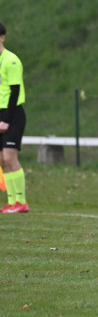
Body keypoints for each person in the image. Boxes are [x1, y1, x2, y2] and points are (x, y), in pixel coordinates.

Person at [0, 22, 28, 213]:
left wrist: (6, 119)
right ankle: (11, 201)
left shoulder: (11, 60)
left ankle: (22, 201)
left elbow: (15, 92)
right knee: (2, 160)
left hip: (13, 113)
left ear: (2, 37)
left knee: (10, 157)